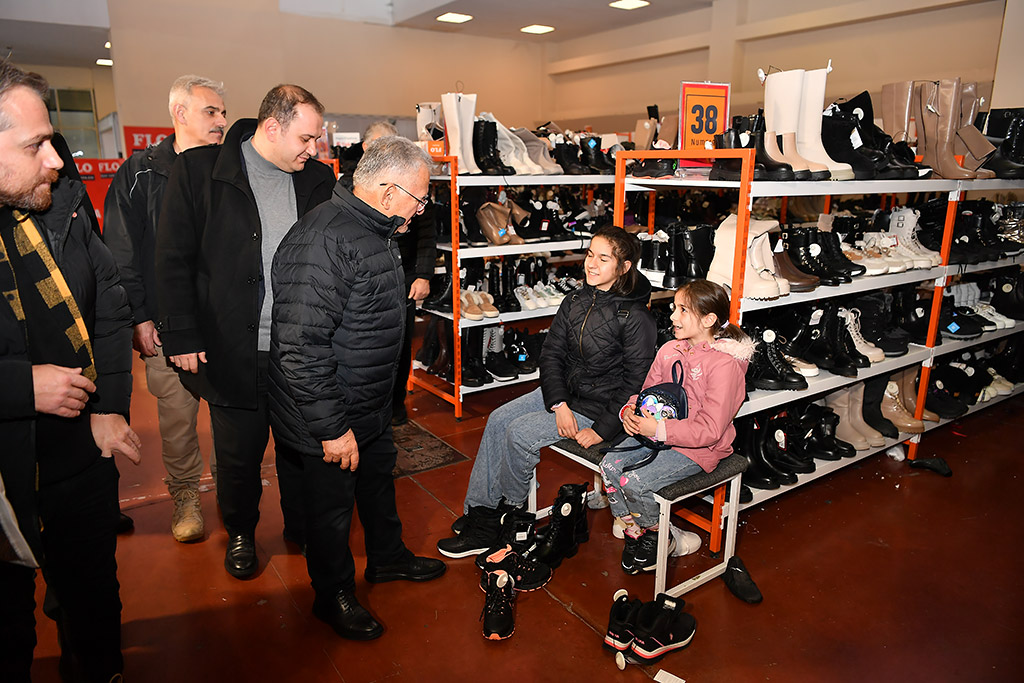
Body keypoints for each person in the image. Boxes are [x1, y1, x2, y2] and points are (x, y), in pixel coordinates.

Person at [270, 135, 446, 641]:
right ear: (388, 192)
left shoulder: (375, 227)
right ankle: (333, 595)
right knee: (331, 511)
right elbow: (301, 346)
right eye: (418, 199)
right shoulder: (324, 240)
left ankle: (387, 558)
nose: (420, 210)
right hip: (329, 411)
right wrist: (331, 428)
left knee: (377, 482)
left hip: (367, 399)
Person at [155, 84, 335, 579]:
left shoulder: (318, 179)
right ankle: (240, 532)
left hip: (299, 348)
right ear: (272, 128)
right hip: (234, 346)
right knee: (238, 456)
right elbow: (172, 259)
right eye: (305, 138)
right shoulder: (199, 171)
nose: (313, 149)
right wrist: (181, 335)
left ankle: (301, 525)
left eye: (316, 139)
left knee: (302, 447)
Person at [0, 59, 141, 683]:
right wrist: (19, 386)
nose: (58, 159)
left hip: (79, 452)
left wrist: (106, 408)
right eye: (36, 145)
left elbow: (108, 304)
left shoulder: (61, 204)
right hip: (7, 474)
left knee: (93, 600)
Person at [436, 225, 657, 558]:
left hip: (599, 409)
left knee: (519, 433)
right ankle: (481, 513)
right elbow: (551, 354)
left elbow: (634, 383)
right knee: (497, 419)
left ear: (624, 267)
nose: (591, 264)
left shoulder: (636, 317)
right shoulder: (575, 300)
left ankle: (510, 517)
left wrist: (601, 430)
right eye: (590, 254)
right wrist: (559, 403)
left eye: (604, 258)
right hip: (567, 396)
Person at [103, 74, 227, 543]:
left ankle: (232, 495)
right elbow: (121, 252)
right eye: (211, 111)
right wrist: (138, 317)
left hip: (224, 325)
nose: (221, 121)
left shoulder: (231, 170)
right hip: (165, 327)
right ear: (180, 113)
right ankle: (185, 496)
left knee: (232, 419)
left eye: (222, 112)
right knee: (177, 422)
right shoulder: (139, 174)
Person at [601, 279, 752, 575]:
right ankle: (636, 531)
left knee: (634, 482)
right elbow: (647, 392)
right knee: (608, 466)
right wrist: (630, 411)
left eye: (683, 310)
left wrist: (658, 430)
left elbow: (710, 429)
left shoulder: (725, 365)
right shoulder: (670, 349)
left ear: (708, 319)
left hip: (700, 448)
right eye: (674, 308)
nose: (672, 316)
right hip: (656, 435)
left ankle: (662, 536)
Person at [355, 121, 436, 426]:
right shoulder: (354, 186)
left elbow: (427, 231)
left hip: (405, 276)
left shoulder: (412, 189)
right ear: (367, 149)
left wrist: (423, 274)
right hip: (367, 279)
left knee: (400, 345)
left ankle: (396, 406)